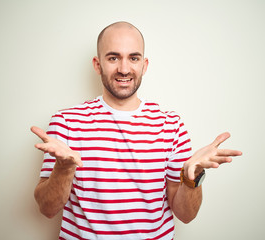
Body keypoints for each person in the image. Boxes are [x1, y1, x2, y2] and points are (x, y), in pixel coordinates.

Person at [31, 21, 242, 240]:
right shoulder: (66, 122)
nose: (124, 69)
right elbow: (47, 209)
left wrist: (192, 177)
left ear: (144, 65)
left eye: (133, 58)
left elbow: (185, 215)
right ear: (97, 64)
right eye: (113, 58)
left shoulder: (171, 126)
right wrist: (64, 169)